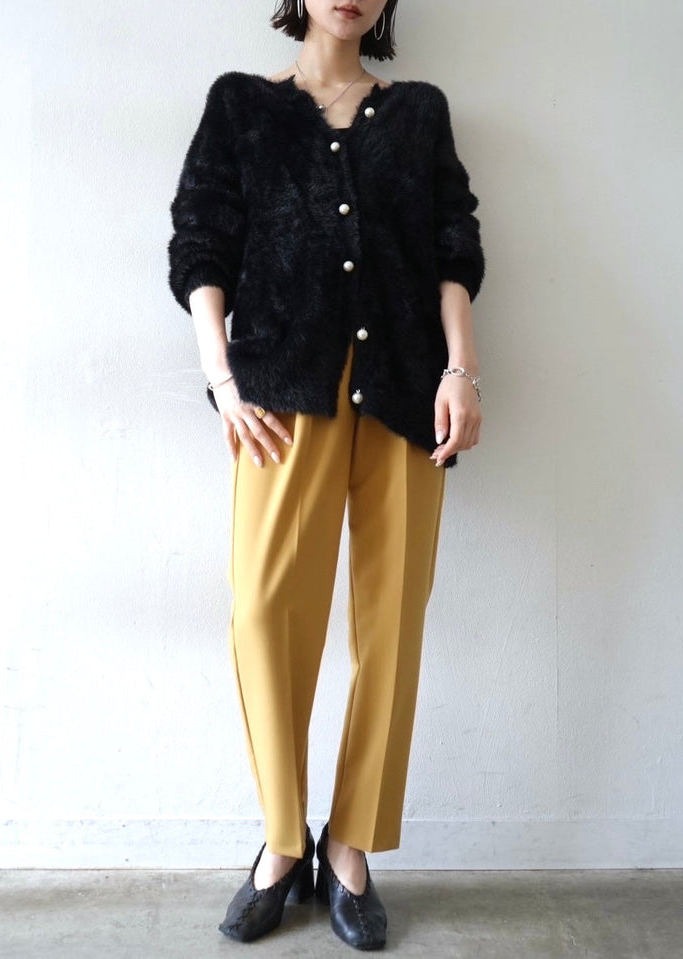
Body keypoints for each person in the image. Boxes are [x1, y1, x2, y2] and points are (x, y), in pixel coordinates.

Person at [167, 0, 485, 949]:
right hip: (280, 396)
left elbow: (454, 243)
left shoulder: (419, 111)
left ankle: (350, 846)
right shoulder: (241, 105)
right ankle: (280, 840)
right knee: (265, 611)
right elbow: (200, 241)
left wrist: (461, 370)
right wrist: (222, 380)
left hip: (406, 391)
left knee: (392, 622)